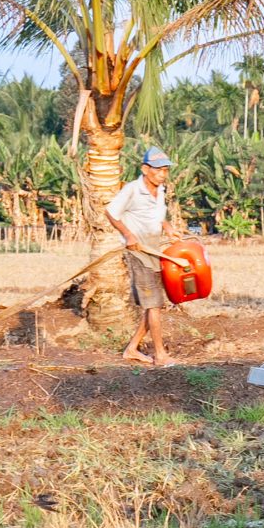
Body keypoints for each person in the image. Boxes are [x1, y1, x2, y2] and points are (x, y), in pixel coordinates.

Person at [104, 145, 179, 366]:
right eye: (158, 170)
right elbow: (111, 212)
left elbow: (158, 216)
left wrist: (168, 228)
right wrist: (128, 235)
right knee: (153, 305)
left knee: (154, 304)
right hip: (139, 254)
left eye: (165, 170)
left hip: (154, 251)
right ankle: (160, 355)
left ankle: (131, 349)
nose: (162, 174)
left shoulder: (160, 190)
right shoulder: (132, 190)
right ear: (145, 169)